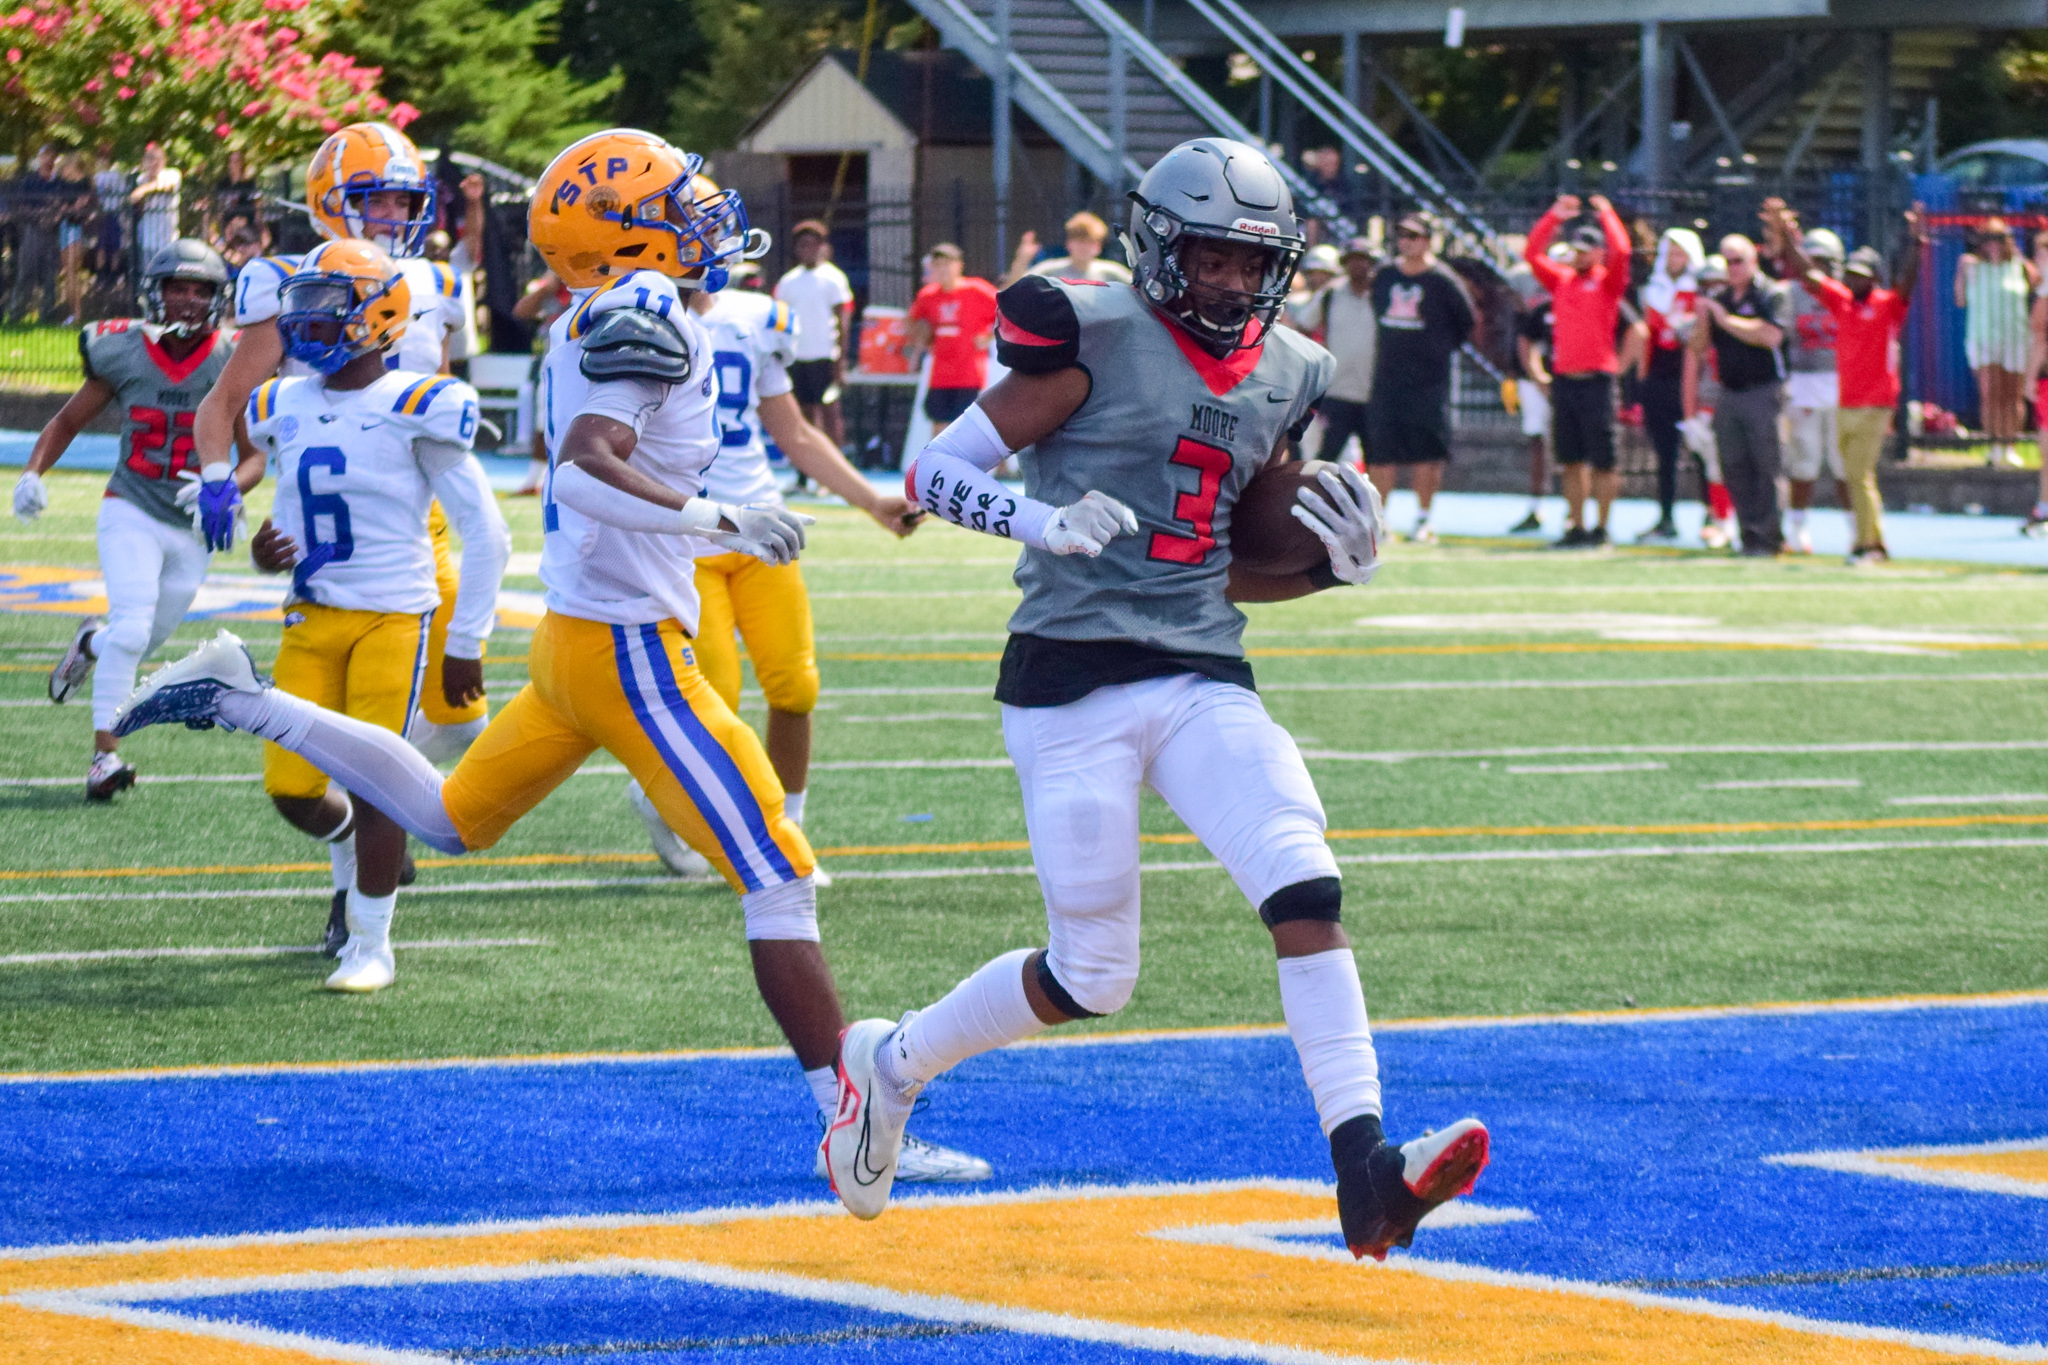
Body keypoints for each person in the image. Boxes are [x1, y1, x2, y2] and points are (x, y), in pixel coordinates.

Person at [115, 130, 987, 1180]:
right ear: (622, 238)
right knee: (779, 874)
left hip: (582, 639)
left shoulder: (613, 311)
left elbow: (586, 457)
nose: (700, 218)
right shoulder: (644, 308)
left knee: (444, 819)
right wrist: (715, 515)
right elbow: (579, 472)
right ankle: (851, 1118)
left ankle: (245, 701)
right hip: (628, 650)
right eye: (676, 205)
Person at [837, 135, 1489, 1254]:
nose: (1232, 282)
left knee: (1303, 881)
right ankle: (888, 1064)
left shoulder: (1290, 366)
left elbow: (1222, 555)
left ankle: (1366, 1174)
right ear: (1154, 244)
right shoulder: (1088, 333)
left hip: (1199, 669)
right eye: (1209, 257)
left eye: (1251, 261)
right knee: (1093, 973)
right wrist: (1042, 522)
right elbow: (932, 473)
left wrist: (1329, 566)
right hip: (1069, 674)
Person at [189, 120, 502, 957]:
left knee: (460, 716)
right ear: (332, 201)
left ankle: (383, 823)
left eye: (405, 197)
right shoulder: (291, 280)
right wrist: (226, 480)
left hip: (416, 507)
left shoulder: (434, 280)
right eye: (376, 196)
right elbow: (227, 406)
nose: (395, 212)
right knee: (363, 745)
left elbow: (439, 396)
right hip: (330, 530)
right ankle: (358, 876)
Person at [629, 173, 928, 900]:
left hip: (762, 527)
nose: (711, 242)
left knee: (795, 686)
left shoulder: (757, 315)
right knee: (716, 698)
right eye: (693, 226)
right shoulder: (630, 317)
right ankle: (675, 799)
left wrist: (868, 501)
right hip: (684, 534)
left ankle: (786, 832)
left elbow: (790, 429)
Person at [236, 241, 507, 993]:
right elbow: (287, 512)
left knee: (379, 781)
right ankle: (371, 852)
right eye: (305, 303)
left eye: (328, 304)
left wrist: (467, 638)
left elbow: (487, 530)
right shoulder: (277, 403)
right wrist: (265, 551)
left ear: (378, 313)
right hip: (308, 614)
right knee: (292, 788)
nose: (308, 320)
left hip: (392, 616)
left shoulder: (420, 404)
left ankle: (371, 941)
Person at [16, 240, 259, 800]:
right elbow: (67, 420)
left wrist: (224, 486)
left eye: (201, 290)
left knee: (137, 642)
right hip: (129, 505)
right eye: (178, 287)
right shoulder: (122, 348)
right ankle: (104, 758)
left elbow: (254, 458)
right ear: (156, 291)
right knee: (131, 628)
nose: (189, 300)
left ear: (217, 298)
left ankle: (89, 645)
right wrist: (33, 472)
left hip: (194, 525)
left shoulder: (231, 358)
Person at [1771, 204, 1925, 564]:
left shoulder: (1887, 305)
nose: (1854, 280)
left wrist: (1917, 242)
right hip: (1847, 401)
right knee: (1857, 475)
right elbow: (1808, 273)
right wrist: (1788, 236)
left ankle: (1868, 545)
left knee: (1857, 474)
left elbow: (1907, 282)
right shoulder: (1842, 303)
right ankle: (1873, 540)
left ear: (1873, 278)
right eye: (1851, 274)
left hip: (1875, 403)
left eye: (1861, 275)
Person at [1526, 194, 1631, 548]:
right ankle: (1577, 525)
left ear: (1599, 252)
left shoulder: (1607, 283)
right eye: (1577, 249)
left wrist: (1607, 215)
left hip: (1597, 382)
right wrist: (1553, 218)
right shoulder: (1562, 281)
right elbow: (1532, 254)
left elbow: (1624, 252)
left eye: (1588, 248)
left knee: (1604, 460)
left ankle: (1602, 527)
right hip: (1565, 382)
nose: (1581, 254)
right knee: (1570, 460)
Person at [1367, 213, 1475, 543]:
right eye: (1401, 235)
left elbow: (1466, 322)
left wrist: (1436, 350)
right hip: (1387, 377)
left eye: (1414, 236)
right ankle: (1378, 521)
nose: (1406, 242)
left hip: (1428, 381)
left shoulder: (1443, 280)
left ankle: (1423, 519)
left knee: (1427, 451)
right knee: (1380, 451)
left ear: (1428, 240)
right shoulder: (1384, 275)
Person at [1688, 235, 1790, 556]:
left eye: (1738, 261)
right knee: (1733, 464)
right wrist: (1705, 318)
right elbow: (1697, 347)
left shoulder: (1770, 294)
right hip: (1729, 392)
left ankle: (1770, 535)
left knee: (1766, 467)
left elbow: (1770, 335)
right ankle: (1748, 534)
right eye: (1726, 261)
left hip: (1763, 391)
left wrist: (1724, 319)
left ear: (1752, 260)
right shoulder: (1722, 299)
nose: (1731, 268)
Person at [1771, 222, 1846, 554]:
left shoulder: (1844, 293)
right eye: (1812, 260)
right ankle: (1797, 528)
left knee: (1844, 463)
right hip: (1803, 381)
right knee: (1804, 461)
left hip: (1841, 383)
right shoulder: (1790, 294)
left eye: (1825, 261)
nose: (1818, 268)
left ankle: (1856, 530)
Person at [1632, 227, 1709, 545]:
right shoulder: (1653, 290)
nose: (1675, 260)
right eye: (1671, 252)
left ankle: (1712, 514)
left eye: (1682, 253)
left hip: (1690, 377)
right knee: (1664, 454)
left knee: (1702, 451)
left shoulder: (1701, 291)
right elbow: (1648, 336)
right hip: (1660, 378)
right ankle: (1666, 517)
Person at [1956, 218, 2035, 466]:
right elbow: (1960, 300)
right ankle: (1993, 446)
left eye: (1999, 238)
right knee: (1990, 392)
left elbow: (2038, 286)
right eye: (1988, 238)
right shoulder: (1971, 266)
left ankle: (2010, 445)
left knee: (2013, 395)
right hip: (1984, 337)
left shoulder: (2019, 266)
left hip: (2015, 337)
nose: (1993, 244)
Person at [773, 220, 855, 451]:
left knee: (830, 412)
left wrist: (841, 360)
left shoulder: (833, 278)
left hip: (825, 356)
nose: (808, 249)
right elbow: (780, 320)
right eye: (803, 245)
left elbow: (843, 321)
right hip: (798, 356)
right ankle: (805, 474)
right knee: (803, 414)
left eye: (813, 244)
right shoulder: (788, 282)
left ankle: (836, 466)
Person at [905, 243, 999, 435]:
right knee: (939, 425)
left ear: (959, 265)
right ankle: (940, 465)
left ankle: (999, 466)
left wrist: (990, 336)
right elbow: (911, 322)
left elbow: (1007, 311)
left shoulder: (976, 290)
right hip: (940, 374)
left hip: (969, 373)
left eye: (948, 264)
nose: (943, 269)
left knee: (970, 427)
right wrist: (923, 340)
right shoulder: (927, 296)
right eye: (938, 264)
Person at [1508, 242, 1568, 534]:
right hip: (1537, 379)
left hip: (1573, 379)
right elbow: (1524, 339)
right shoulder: (1538, 304)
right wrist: (1536, 376)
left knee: (1573, 445)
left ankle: (1575, 511)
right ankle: (1537, 506)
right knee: (1538, 442)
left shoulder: (1583, 298)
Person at [1301, 238, 1376, 465]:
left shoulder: (1382, 294)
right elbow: (1303, 327)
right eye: (1352, 261)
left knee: (1375, 460)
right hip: (1337, 391)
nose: (1358, 266)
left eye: (1363, 261)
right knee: (1326, 458)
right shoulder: (1331, 294)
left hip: (1373, 393)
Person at [1002, 210, 1134, 288]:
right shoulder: (1050, 270)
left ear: (1099, 247)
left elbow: (1139, 291)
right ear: (1069, 244)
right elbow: (1014, 288)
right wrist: (1022, 260)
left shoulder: (1112, 272)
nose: (1084, 247)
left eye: (1089, 242)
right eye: (1079, 241)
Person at [7, 145, 62, 324]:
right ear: (39, 158)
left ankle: (47, 315)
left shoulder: (58, 182)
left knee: (49, 275)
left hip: (53, 233)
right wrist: (39, 217)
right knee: (26, 273)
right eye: (45, 155)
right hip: (32, 230)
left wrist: (53, 216)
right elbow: (20, 206)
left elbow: (62, 204)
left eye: (51, 156)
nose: (48, 159)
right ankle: (16, 314)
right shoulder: (29, 181)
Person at [128, 143, 183, 264]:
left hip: (167, 240)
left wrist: (145, 189)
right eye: (150, 158)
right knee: (148, 277)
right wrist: (147, 187)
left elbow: (166, 185)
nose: (153, 163)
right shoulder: (141, 179)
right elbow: (133, 198)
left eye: (157, 159)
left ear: (163, 161)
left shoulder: (172, 174)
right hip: (147, 240)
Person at [1284, 241, 1342, 340]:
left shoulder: (1341, 302)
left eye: (1324, 273)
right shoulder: (1295, 303)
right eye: (1313, 273)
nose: (1318, 278)